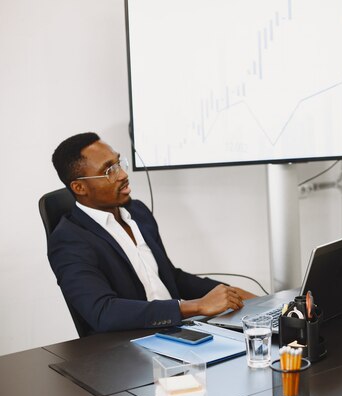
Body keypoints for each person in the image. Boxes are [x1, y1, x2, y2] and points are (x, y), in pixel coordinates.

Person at [48, 132, 256, 334]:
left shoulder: (137, 212)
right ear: (79, 187)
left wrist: (231, 293)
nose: (122, 174)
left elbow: (169, 276)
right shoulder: (69, 241)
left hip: (179, 331)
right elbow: (103, 312)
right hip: (129, 348)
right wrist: (195, 306)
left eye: (118, 163)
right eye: (109, 170)